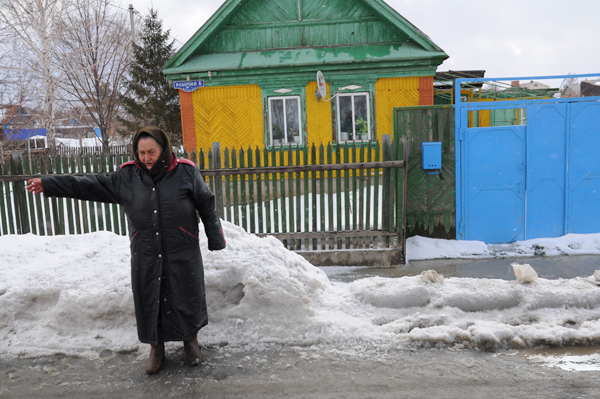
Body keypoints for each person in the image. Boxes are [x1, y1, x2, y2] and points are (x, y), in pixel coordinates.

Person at [26, 127, 226, 374]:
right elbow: (87, 185)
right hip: (146, 251)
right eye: (141, 152)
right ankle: (156, 348)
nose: (146, 157)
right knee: (150, 297)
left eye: (151, 151)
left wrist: (215, 237)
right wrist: (49, 184)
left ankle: (190, 342)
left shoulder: (185, 171)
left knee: (186, 293)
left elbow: (206, 203)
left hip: (182, 248)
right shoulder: (127, 177)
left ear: (163, 150)